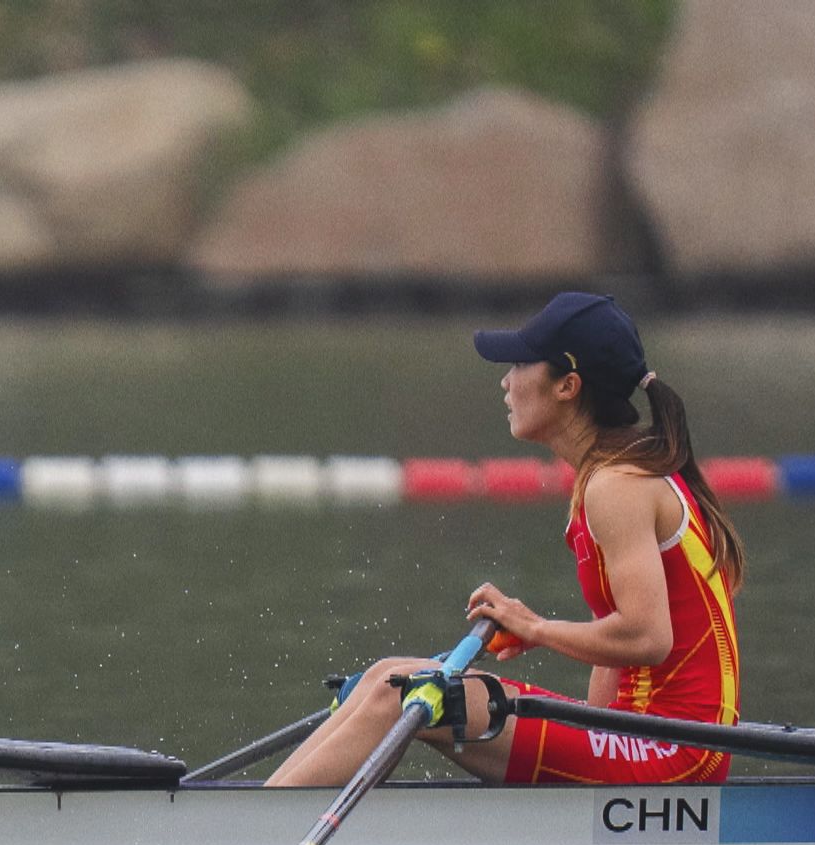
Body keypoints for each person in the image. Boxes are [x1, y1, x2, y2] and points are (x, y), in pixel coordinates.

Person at [269, 293, 742, 786]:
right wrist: (580, 747)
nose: (505, 381)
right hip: (635, 736)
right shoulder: (610, 475)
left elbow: (647, 638)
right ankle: (254, 814)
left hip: (678, 750)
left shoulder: (617, 485)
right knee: (386, 676)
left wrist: (535, 627)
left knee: (399, 696)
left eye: (518, 364)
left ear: (568, 385)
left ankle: (246, 837)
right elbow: (616, 648)